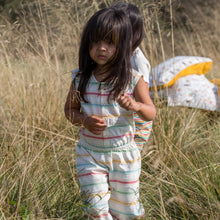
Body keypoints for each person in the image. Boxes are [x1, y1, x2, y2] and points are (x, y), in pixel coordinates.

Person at [64, 7, 156, 220]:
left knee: (127, 210)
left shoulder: (133, 78)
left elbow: (150, 113)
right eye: (95, 42)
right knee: (95, 208)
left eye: (110, 43)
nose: (101, 48)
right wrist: (84, 120)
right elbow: (69, 110)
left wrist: (136, 106)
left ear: (124, 45)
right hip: (89, 154)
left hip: (124, 156)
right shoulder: (80, 78)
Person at [111, 2, 153, 150]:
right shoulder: (116, 53)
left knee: (129, 157)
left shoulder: (137, 61)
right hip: (121, 117)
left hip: (137, 120)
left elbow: (144, 96)